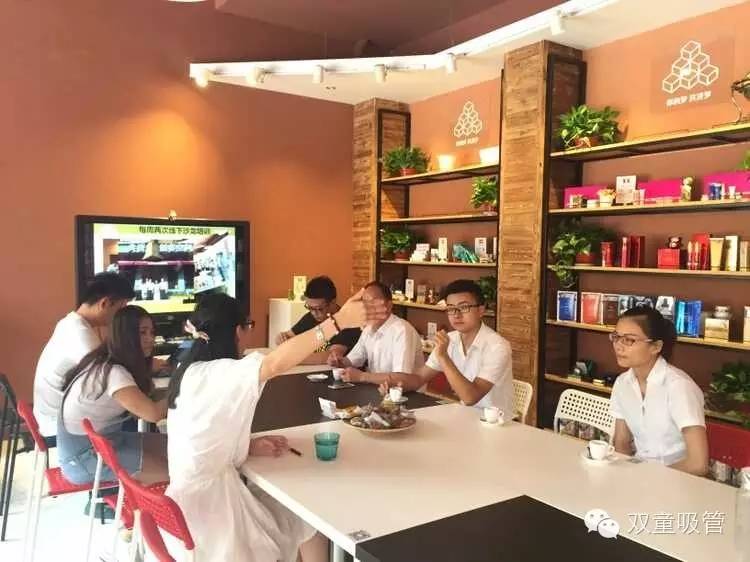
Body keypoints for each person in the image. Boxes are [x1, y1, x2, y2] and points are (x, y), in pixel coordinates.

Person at [165, 290, 383, 561]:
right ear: (237, 331)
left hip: (188, 511)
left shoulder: (191, 370)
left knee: (294, 510)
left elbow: (203, 434)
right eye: (248, 326)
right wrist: (336, 322)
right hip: (215, 521)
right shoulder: (219, 373)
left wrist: (248, 445)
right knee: (307, 513)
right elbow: (275, 362)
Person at [57, 305, 168, 485]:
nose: (150, 339)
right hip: (83, 459)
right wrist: (181, 390)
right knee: (178, 473)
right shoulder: (114, 373)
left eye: (152, 332)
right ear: (126, 336)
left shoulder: (102, 361)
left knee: (175, 447)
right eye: (142, 332)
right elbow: (154, 414)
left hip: (106, 441)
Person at [378, 279, 514, 417]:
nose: (456, 314)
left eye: (464, 307)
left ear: (481, 310)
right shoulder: (450, 339)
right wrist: (396, 387)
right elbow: (419, 378)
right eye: (451, 308)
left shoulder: (497, 347)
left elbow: (470, 397)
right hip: (465, 417)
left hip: (497, 423)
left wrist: (443, 356)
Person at [34, 272, 135, 438]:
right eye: (121, 308)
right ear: (105, 303)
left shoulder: (69, 322)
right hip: (60, 430)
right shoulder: (81, 335)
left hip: (50, 419)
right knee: (132, 412)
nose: (121, 316)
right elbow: (111, 377)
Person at [609, 306, 708, 475]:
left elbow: (698, 464)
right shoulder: (622, 383)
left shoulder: (679, 386)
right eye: (616, 337)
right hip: (639, 475)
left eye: (629, 340)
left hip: (680, 479)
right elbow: (621, 443)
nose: (618, 346)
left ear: (655, 346)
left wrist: (651, 478)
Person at [328, 281, 423, 386]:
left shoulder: (402, 331)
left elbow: (401, 379)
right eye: (364, 304)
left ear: (389, 305)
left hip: (406, 393)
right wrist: (338, 361)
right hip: (378, 389)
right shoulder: (368, 328)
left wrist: (362, 376)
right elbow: (352, 360)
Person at [275, 276, 361, 364]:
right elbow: (288, 336)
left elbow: (331, 356)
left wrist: (291, 359)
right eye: (310, 307)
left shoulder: (347, 322)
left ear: (333, 302)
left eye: (319, 309)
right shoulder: (312, 317)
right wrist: (281, 337)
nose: (313, 313)